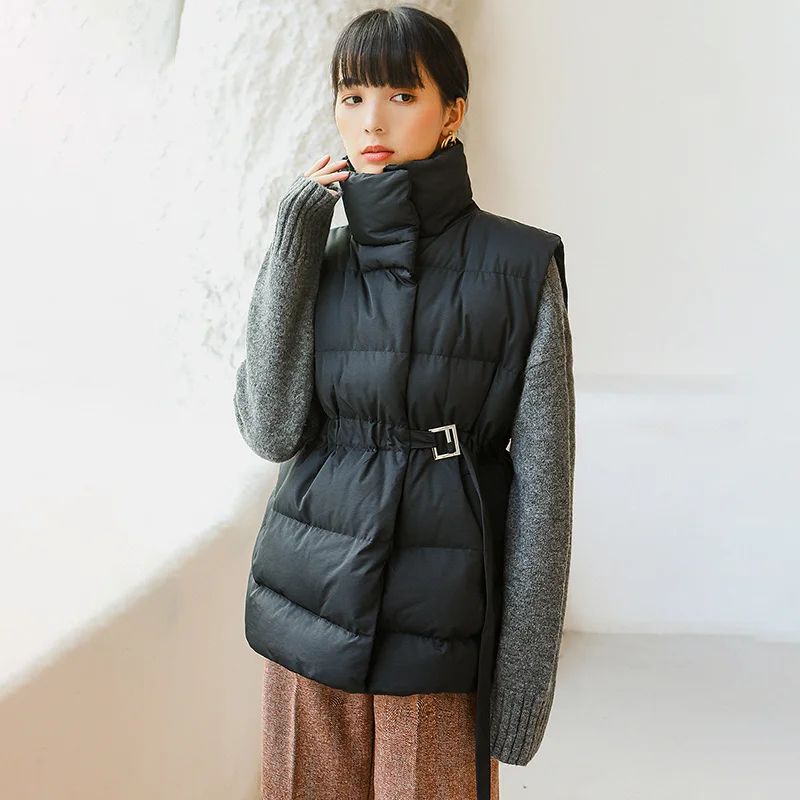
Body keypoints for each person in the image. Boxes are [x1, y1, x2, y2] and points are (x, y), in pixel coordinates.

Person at [233, 6, 575, 800]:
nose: (372, 120)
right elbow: (270, 430)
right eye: (352, 97)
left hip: (442, 624)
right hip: (304, 609)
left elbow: (545, 494)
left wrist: (522, 691)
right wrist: (292, 243)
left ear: (453, 111)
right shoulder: (316, 256)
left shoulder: (523, 266)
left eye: (401, 95)